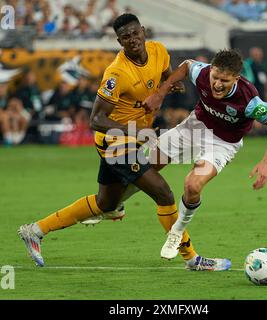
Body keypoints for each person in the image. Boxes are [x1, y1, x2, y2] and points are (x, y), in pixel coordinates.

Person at [18, 13, 229, 272]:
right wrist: (134, 131)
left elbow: (164, 77)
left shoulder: (159, 51)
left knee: (106, 203)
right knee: (163, 193)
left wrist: (168, 87)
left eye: (135, 33)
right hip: (115, 142)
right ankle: (192, 259)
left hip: (134, 138)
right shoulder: (116, 74)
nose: (132, 40)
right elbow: (96, 119)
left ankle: (35, 231)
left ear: (143, 31)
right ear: (119, 41)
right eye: (125, 37)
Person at [142, 49, 267, 259]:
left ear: (236, 78)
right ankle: (113, 205)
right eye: (215, 77)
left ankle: (176, 232)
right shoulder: (202, 72)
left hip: (222, 143)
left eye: (224, 81)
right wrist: (160, 93)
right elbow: (186, 65)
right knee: (144, 168)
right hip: (195, 126)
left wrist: (266, 163)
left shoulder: (250, 101)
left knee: (193, 185)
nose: (217, 84)